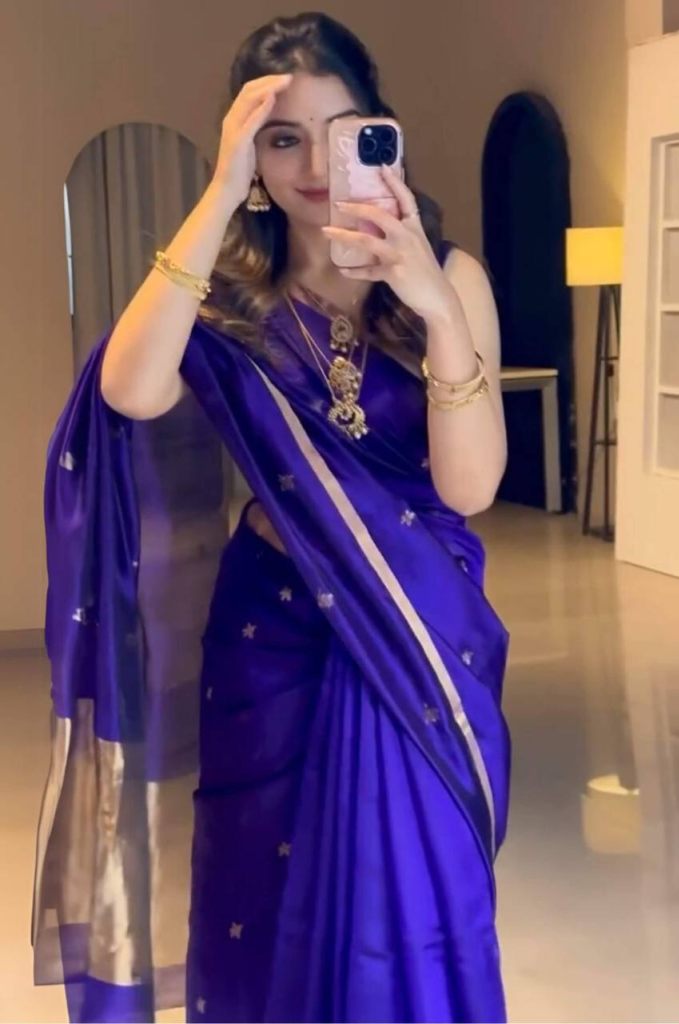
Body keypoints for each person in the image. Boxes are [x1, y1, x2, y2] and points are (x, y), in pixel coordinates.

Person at [32, 11, 512, 1024]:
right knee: (262, 888)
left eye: (339, 133)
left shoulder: (450, 276)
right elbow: (127, 390)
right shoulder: (231, 303)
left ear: (379, 129)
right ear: (250, 154)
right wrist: (216, 194)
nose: (312, 167)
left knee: (405, 893)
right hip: (271, 636)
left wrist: (432, 304)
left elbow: (469, 488)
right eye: (282, 139)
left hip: (415, 630)